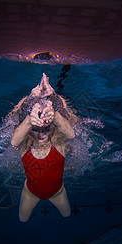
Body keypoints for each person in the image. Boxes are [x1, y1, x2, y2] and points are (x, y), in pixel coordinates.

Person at [11, 73, 75, 222]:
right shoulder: (26, 144)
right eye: (35, 128)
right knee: (22, 219)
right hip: (30, 192)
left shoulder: (57, 143)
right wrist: (28, 120)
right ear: (28, 131)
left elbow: (71, 134)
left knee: (67, 214)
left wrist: (56, 117)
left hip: (57, 192)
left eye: (46, 129)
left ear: (53, 129)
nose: (41, 134)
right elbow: (14, 142)